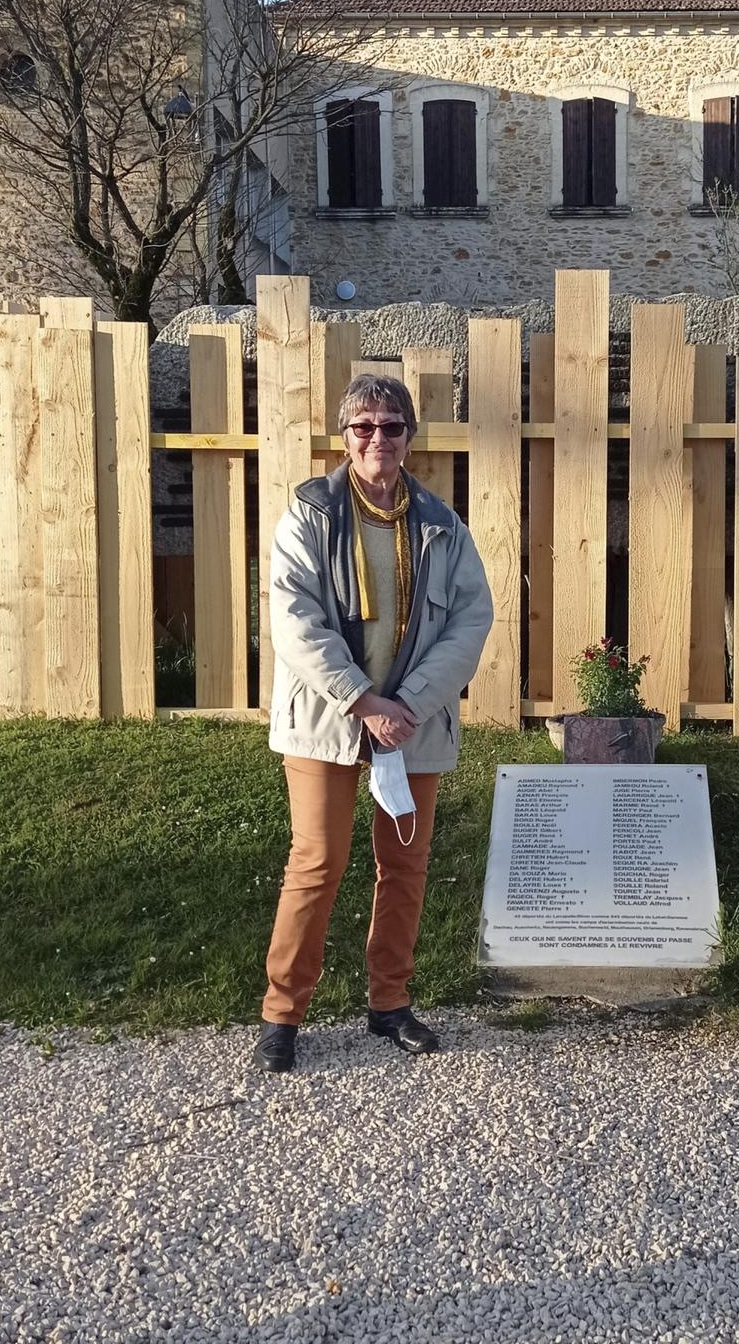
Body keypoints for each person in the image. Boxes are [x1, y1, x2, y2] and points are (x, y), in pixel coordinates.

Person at [253, 374, 492, 1074]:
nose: (378, 439)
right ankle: (282, 1015)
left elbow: (472, 623)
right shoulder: (308, 514)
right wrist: (362, 700)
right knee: (317, 862)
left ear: (410, 438)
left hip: (411, 722)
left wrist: (407, 705)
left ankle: (389, 1004)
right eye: (364, 427)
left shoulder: (444, 526)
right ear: (344, 436)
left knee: (406, 867)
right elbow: (296, 621)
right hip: (329, 717)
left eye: (392, 427)